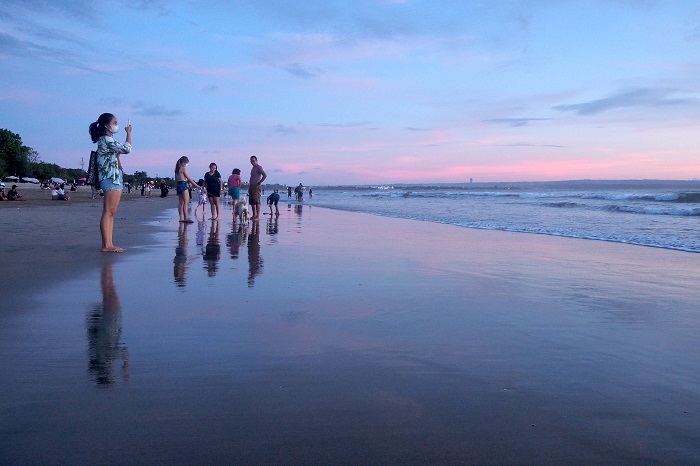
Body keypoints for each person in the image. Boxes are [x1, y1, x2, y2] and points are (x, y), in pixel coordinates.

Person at [89, 113, 131, 252]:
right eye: (115, 122)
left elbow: (117, 155)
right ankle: (106, 245)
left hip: (114, 176)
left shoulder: (107, 140)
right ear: (107, 126)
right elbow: (127, 149)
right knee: (108, 211)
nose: (116, 125)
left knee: (111, 212)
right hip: (110, 177)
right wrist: (128, 133)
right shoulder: (106, 140)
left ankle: (109, 243)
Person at [174, 156, 200, 223]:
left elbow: (176, 179)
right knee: (186, 202)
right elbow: (189, 179)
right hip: (183, 184)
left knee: (181, 202)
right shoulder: (183, 169)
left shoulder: (176, 169)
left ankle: (181, 217)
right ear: (184, 162)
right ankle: (186, 217)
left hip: (178, 184)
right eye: (186, 163)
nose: (186, 164)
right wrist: (197, 186)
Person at [248, 155, 267, 220]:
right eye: (251, 161)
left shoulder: (259, 167)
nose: (252, 162)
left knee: (257, 202)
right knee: (252, 202)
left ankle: (257, 216)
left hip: (256, 187)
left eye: (253, 161)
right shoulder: (253, 168)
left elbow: (264, 175)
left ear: (256, 161)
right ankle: (254, 215)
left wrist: (259, 182)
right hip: (251, 187)